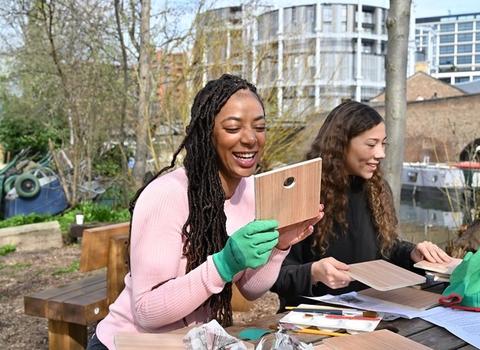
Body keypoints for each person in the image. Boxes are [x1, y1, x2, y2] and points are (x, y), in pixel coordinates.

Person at [86, 74, 323, 349]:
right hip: (128, 343)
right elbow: (147, 311)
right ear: (207, 132)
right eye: (233, 128)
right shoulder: (166, 195)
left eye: (259, 127)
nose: (250, 139)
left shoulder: (250, 193)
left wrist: (278, 247)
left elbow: (250, 288)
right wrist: (223, 265)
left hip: (192, 343)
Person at [270, 100, 452, 312]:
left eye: (383, 144)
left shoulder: (378, 189)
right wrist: (313, 273)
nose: (381, 153)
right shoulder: (300, 192)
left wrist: (413, 254)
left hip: (373, 312)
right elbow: (275, 276)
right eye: (371, 144)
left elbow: (385, 251)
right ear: (341, 144)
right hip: (311, 320)